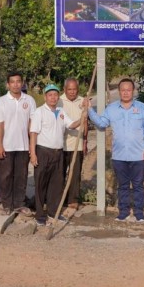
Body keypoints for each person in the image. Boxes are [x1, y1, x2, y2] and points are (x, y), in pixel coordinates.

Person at [86, 78, 144, 222]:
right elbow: (102, 123)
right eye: (123, 90)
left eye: (129, 90)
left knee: (138, 186)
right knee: (122, 186)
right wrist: (89, 109)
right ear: (119, 91)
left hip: (138, 155)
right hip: (119, 156)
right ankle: (123, 212)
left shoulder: (142, 107)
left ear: (133, 91)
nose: (126, 93)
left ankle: (139, 213)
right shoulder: (112, 109)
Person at [30, 84, 80, 226]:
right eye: (50, 95)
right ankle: (40, 215)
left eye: (55, 95)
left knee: (56, 184)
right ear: (45, 97)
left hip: (58, 153)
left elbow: (72, 125)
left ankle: (53, 212)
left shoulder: (61, 111)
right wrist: (33, 154)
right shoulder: (39, 112)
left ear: (58, 97)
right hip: (43, 151)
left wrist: (83, 116)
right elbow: (33, 133)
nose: (53, 97)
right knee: (41, 184)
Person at [0, 71, 36, 215]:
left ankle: (19, 203)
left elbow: (32, 124)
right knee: (6, 175)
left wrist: (32, 145)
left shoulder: (29, 100)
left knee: (21, 175)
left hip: (23, 145)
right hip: (7, 145)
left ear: (22, 83)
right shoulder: (1, 102)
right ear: (8, 84)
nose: (16, 84)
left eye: (18, 81)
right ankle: (6, 204)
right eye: (12, 82)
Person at [59, 77, 87, 210]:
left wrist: (85, 140)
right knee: (59, 173)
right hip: (61, 144)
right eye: (69, 89)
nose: (72, 92)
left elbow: (85, 121)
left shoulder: (83, 101)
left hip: (77, 144)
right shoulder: (58, 101)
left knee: (75, 174)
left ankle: (73, 199)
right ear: (65, 89)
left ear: (78, 89)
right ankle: (59, 197)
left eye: (74, 89)